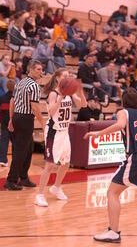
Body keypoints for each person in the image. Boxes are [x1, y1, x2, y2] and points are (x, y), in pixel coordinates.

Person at [84, 87, 137, 243]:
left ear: (122, 102)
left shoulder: (123, 113)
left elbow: (120, 124)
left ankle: (113, 232)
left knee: (112, 192)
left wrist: (97, 133)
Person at [35, 68, 87, 207]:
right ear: (57, 78)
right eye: (64, 76)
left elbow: (83, 105)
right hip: (53, 132)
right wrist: (60, 98)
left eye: (68, 76)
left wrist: (81, 93)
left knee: (66, 163)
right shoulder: (53, 94)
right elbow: (51, 112)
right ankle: (39, 195)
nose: (67, 78)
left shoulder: (70, 93)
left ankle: (56, 187)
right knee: (50, 164)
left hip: (65, 132)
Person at [5, 60, 44, 191]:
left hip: (17, 116)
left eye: (41, 69)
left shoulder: (20, 82)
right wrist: (43, 122)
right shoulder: (34, 86)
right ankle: (11, 180)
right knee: (21, 151)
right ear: (31, 70)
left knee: (28, 148)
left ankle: (23, 177)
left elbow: (12, 101)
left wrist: (11, 119)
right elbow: (34, 107)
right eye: (38, 69)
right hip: (26, 119)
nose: (41, 72)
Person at [0, 79, 15, 167]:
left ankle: (3, 160)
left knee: (4, 141)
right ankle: (15, 160)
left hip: (4, 123)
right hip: (14, 123)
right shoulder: (16, 98)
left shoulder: (2, 98)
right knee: (15, 142)